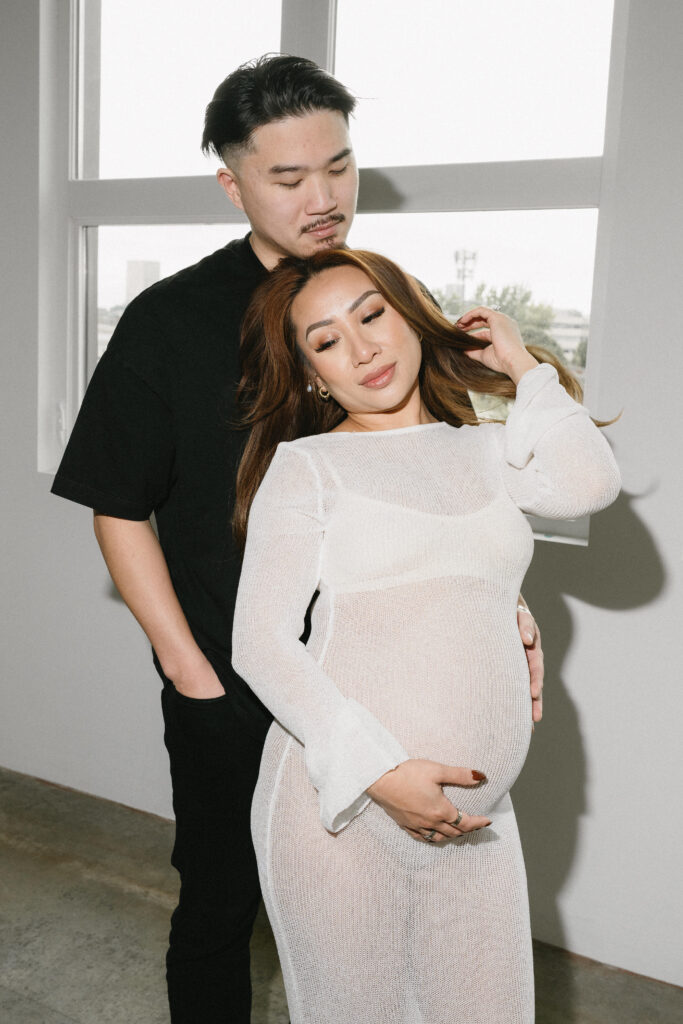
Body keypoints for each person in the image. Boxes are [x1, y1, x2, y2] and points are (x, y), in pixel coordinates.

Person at [50, 55, 545, 1023]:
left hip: (392, 688)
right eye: (287, 179)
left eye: (340, 166)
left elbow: (445, 481)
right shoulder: (168, 322)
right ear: (231, 184)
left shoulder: (383, 302)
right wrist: (192, 672)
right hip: (237, 693)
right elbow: (118, 505)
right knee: (222, 910)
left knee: (407, 934)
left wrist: (504, 608)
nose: (323, 199)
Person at [231, 247, 620, 1024]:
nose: (363, 348)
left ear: (408, 313)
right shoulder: (309, 466)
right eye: (327, 339)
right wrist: (379, 772)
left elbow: (588, 483)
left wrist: (522, 367)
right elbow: (261, 643)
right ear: (311, 373)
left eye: (371, 315)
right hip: (339, 808)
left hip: (475, 820)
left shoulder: (483, 447)